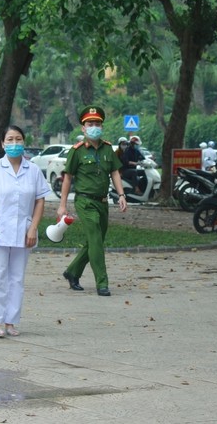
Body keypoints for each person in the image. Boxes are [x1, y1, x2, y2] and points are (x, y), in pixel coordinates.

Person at [0, 125, 50, 338]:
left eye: (18, 139)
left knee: (17, 278)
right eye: (10, 139)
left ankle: (11, 321)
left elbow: (39, 201)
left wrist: (33, 228)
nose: (14, 143)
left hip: (23, 231)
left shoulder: (33, 170)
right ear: (2, 143)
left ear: (24, 142)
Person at [59, 106, 127, 296]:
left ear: (102, 126)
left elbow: (114, 172)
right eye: (90, 124)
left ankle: (72, 272)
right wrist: (62, 205)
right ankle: (102, 283)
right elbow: (68, 178)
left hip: (103, 202)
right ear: (83, 128)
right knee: (96, 238)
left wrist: (121, 195)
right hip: (85, 202)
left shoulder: (107, 148)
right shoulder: (77, 151)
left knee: (94, 241)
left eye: (97, 123)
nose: (94, 127)